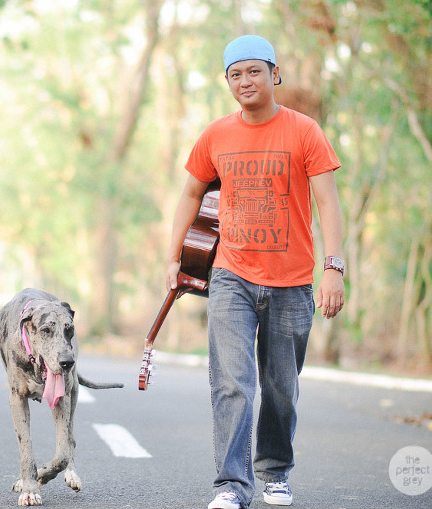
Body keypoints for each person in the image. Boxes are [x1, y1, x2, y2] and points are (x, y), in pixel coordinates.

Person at [166, 35, 345, 509]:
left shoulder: (304, 131)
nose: (245, 81)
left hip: (292, 282)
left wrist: (334, 267)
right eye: (235, 74)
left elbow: (328, 202)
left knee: (281, 388)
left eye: (254, 71)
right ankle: (231, 484)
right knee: (232, 383)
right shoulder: (215, 135)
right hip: (231, 276)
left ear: (274, 74)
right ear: (227, 82)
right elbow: (190, 195)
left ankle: (275, 472)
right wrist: (174, 257)